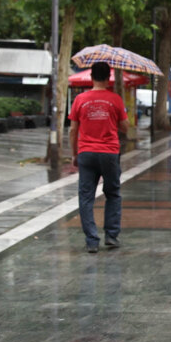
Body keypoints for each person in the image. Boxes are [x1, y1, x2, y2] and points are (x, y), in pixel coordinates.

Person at [69, 61, 127, 253]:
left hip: (86, 152)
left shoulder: (80, 100)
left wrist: (74, 153)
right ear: (109, 78)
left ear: (91, 77)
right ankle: (111, 235)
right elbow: (125, 127)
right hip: (109, 153)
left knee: (86, 197)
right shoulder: (115, 99)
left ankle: (92, 240)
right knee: (113, 193)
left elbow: (73, 130)